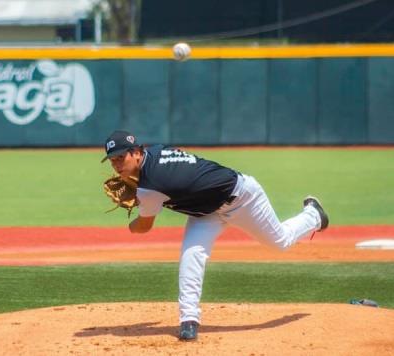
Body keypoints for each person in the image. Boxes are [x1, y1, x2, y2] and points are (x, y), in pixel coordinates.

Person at [101, 130, 329, 341]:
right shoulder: (156, 150)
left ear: (137, 152)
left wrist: (133, 215)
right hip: (206, 213)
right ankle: (188, 320)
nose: (117, 164)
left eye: (121, 157)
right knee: (191, 257)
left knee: (280, 241)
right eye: (113, 160)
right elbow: (176, 153)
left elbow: (143, 227)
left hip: (242, 198)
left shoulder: (149, 189)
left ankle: (313, 216)